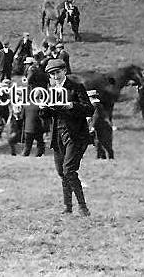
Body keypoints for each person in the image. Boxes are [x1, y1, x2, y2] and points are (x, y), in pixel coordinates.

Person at [41, 58, 94, 216]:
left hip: (75, 134)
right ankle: (67, 207)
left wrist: (72, 105)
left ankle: (83, 207)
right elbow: (46, 115)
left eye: (57, 73)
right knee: (61, 172)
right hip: (58, 135)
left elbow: (89, 109)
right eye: (52, 74)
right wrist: (43, 108)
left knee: (69, 170)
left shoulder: (76, 88)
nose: (55, 77)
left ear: (64, 71)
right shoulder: (51, 90)